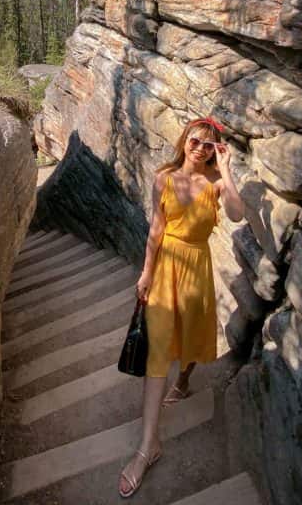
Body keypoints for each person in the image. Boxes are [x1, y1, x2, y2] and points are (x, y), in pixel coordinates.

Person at [118, 116, 245, 498]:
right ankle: (147, 447)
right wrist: (145, 274)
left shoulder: (216, 184)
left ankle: (185, 380)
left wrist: (225, 170)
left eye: (210, 144)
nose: (201, 148)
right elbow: (156, 232)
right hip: (166, 265)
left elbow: (238, 214)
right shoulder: (165, 178)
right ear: (184, 139)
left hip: (196, 267)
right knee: (158, 350)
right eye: (196, 140)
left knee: (189, 337)